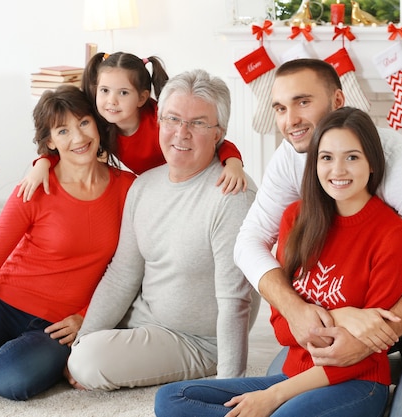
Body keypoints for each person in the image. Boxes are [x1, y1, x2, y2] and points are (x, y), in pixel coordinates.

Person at [234, 58, 402, 416]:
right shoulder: (290, 158)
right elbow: (248, 241)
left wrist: (367, 343)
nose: (291, 120)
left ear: (338, 101)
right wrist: (298, 310)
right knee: (286, 396)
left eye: (303, 102)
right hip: (353, 307)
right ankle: (399, 368)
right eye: (280, 107)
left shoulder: (394, 156)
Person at [154, 107, 402, 417]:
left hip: (356, 383)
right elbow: (283, 328)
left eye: (352, 157)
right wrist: (343, 315)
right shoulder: (296, 219)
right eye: (326, 158)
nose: (338, 170)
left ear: (372, 163)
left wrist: (273, 396)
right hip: (294, 374)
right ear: (314, 163)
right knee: (173, 399)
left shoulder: (394, 236)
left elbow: (369, 346)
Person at [66, 69, 260, 391]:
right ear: (158, 121)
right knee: (70, 344)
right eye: (172, 119)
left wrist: (230, 386)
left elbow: (235, 300)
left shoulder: (231, 195)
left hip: (197, 340)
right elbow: (122, 274)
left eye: (198, 123)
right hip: (145, 318)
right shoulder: (143, 186)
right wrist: (84, 337)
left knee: (87, 362)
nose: (181, 133)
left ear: (218, 134)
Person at [0, 85, 136, 401]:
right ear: (50, 141)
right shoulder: (35, 185)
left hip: (59, 323)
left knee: (11, 380)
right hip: (2, 301)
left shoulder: (127, 189)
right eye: (63, 130)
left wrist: (87, 317)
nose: (78, 139)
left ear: (97, 123)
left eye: (83, 123)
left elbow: (129, 269)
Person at [18, 51, 247, 201]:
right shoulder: (102, 124)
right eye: (105, 91)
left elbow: (215, 139)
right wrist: (42, 163)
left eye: (123, 93)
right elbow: (72, 145)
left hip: (189, 178)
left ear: (141, 98)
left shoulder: (162, 118)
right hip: (156, 188)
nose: (111, 101)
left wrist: (234, 163)